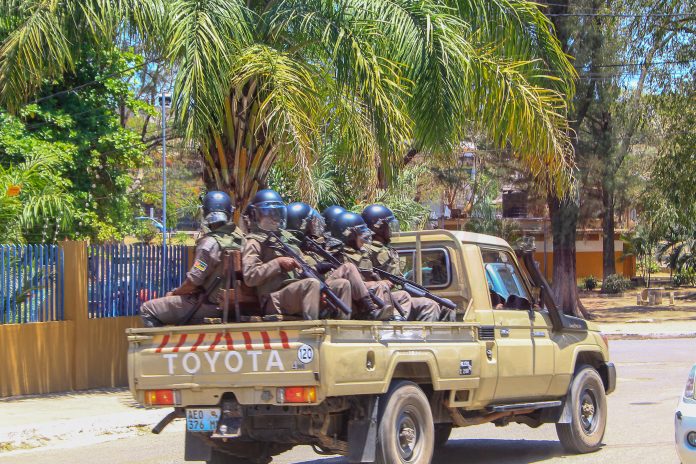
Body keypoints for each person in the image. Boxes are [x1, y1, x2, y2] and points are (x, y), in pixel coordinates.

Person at [140, 191, 245, 327]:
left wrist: (174, 293)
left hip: (211, 306)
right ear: (229, 213)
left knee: (147, 309)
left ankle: (165, 340)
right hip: (238, 306)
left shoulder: (209, 244)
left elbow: (193, 282)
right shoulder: (243, 240)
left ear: (205, 213)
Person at [242, 190, 349, 320]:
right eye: (269, 214)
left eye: (277, 213)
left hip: (297, 291)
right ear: (256, 215)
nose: (274, 218)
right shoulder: (254, 242)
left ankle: (342, 327)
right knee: (312, 284)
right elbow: (250, 277)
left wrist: (318, 271)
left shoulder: (286, 239)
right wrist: (278, 263)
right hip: (274, 299)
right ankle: (313, 328)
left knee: (342, 284)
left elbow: (302, 268)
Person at [286, 202, 382, 318]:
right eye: (312, 222)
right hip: (312, 294)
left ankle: (374, 310)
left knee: (350, 281)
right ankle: (370, 309)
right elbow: (300, 277)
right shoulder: (292, 248)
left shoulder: (317, 245)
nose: (317, 226)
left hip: (324, 289)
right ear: (301, 225)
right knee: (348, 268)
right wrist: (317, 267)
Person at [362, 204, 441, 322]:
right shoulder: (366, 250)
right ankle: (397, 328)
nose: (391, 230)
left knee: (433, 304)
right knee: (417, 301)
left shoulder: (389, 249)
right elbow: (363, 281)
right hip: (383, 297)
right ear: (378, 228)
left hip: (397, 295)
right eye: (388, 226)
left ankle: (425, 334)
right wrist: (381, 283)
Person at [331, 211, 407, 321]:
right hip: (352, 300)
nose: (364, 240)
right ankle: (373, 312)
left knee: (404, 295)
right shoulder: (336, 256)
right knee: (380, 285)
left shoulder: (361, 253)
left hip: (366, 293)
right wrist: (376, 283)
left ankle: (399, 320)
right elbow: (341, 284)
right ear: (350, 236)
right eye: (360, 234)